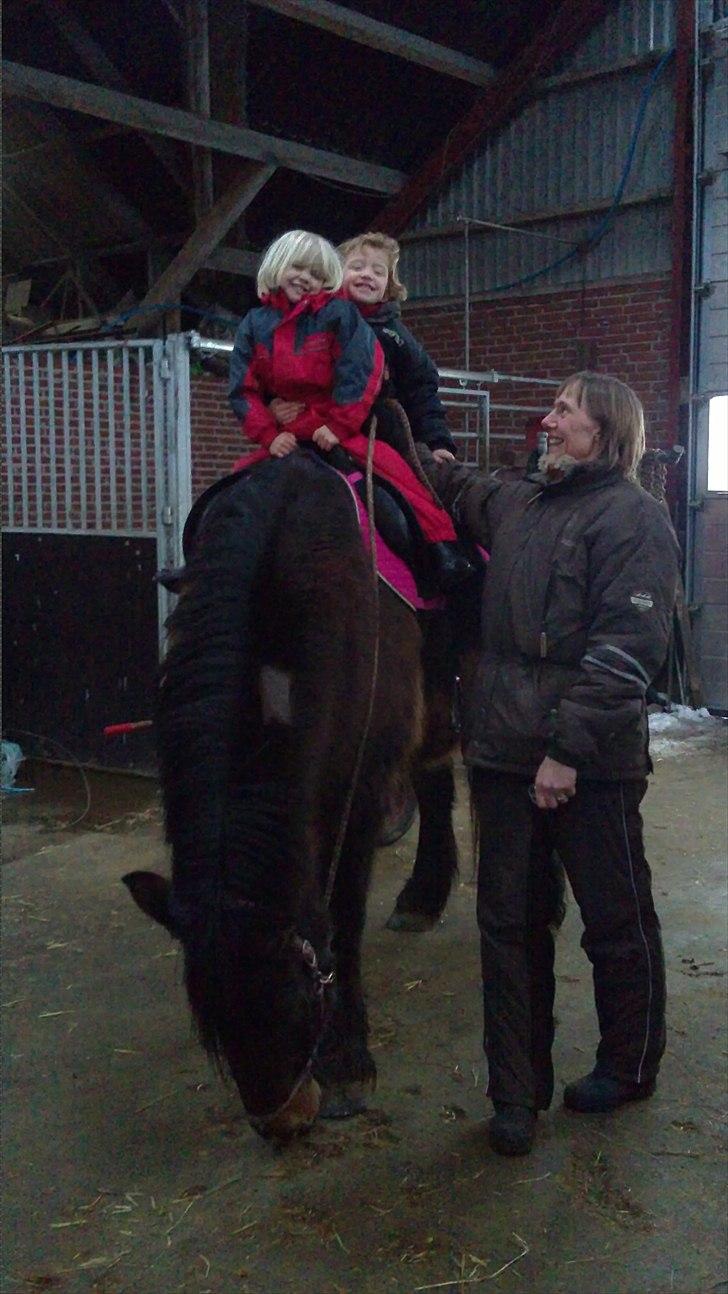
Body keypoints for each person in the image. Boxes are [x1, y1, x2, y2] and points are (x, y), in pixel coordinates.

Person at [418, 372, 679, 1156]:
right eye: (554, 408)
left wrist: (566, 752)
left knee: (614, 918)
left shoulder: (634, 519)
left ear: (606, 430)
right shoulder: (521, 504)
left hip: (590, 764)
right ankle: (515, 1093)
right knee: (508, 924)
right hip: (502, 751)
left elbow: (627, 651)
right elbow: (460, 487)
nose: (549, 420)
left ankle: (629, 1064)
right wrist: (402, 434)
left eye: (565, 410)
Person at [227, 229, 473, 591]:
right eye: (357, 267)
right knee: (235, 490)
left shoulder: (370, 328)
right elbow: (248, 385)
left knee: (400, 481)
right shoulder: (262, 323)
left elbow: (378, 378)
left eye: (378, 271)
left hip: (356, 425)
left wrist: (435, 439)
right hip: (290, 431)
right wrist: (269, 423)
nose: (367, 275)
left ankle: (439, 548)